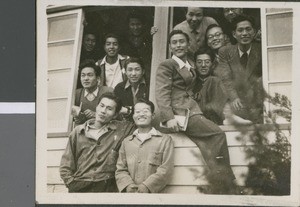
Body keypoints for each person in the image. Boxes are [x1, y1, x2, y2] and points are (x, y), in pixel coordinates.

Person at [155, 30, 236, 194]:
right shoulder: (168, 65)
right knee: (217, 134)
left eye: (182, 41)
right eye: (174, 42)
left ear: (188, 44)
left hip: (191, 110)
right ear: (170, 46)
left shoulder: (190, 64)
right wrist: (169, 117)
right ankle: (225, 181)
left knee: (206, 140)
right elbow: (161, 93)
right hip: (180, 113)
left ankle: (218, 182)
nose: (178, 45)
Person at [60, 92, 136, 193]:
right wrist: (71, 184)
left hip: (107, 186)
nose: (103, 111)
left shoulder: (120, 129)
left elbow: (137, 122)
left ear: (115, 115)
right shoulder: (78, 132)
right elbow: (66, 164)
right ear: (96, 107)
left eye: (109, 109)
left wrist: (125, 110)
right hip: (80, 184)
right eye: (101, 106)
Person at [115, 99, 174, 193]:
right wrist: (128, 185)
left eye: (145, 111)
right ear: (133, 116)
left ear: (153, 115)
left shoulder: (165, 140)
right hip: (130, 196)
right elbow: (121, 169)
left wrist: (147, 186)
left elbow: (166, 169)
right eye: (137, 112)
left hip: (155, 196)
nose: (141, 114)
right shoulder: (126, 142)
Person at [214, 14, 263, 124]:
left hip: (255, 98)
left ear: (254, 32)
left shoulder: (260, 50)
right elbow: (225, 78)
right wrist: (234, 97)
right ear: (234, 34)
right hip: (235, 99)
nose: (244, 33)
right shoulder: (225, 52)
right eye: (240, 30)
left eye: (248, 29)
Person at [193, 49, 228, 125]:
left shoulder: (216, 82)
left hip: (213, 123)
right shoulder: (191, 83)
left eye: (207, 62)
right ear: (195, 65)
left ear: (212, 64)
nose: (203, 65)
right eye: (199, 62)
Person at [73, 59, 113, 125]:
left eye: (90, 75)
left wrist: (96, 115)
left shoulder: (108, 92)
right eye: (83, 75)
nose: (86, 78)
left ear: (98, 78)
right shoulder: (76, 94)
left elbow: (115, 115)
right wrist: (79, 118)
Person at [122, 12, 152, 84]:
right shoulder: (124, 40)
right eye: (132, 24)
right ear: (128, 25)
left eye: (138, 24)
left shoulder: (148, 37)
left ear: (143, 25)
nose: (135, 28)